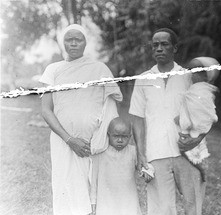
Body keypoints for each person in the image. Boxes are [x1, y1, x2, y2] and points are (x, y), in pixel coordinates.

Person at [40, 24, 122, 215]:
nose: (74, 43)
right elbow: (46, 110)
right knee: (65, 189)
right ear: (63, 42)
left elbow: (110, 107)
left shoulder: (99, 68)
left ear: (85, 43)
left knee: (94, 193)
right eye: (69, 39)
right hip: (63, 141)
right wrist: (69, 139)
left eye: (79, 39)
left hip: (94, 143)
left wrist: (100, 139)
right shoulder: (53, 69)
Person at [129, 28, 207, 215]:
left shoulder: (189, 76)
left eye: (164, 44)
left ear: (175, 48)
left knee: (193, 204)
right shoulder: (143, 79)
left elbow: (206, 112)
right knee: (160, 209)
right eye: (155, 45)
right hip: (156, 152)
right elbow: (137, 118)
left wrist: (197, 139)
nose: (159, 49)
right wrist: (141, 153)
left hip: (188, 152)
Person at [90, 117, 154, 215]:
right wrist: (93, 204)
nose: (120, 140)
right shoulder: (100, 154)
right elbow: (93, 181)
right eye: (116, 136)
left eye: (124, 136)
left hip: (128, 202)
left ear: (130, 136)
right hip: (106, 203)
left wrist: (148, 172)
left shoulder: (133, 152)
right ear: (108, 135)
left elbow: (145, 165)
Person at [175, 57, 220, 182]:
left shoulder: (201, 89)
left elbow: (199, 109)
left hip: (195, 126)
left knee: (188, 149)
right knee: (186, 149)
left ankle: (201, 169)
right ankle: (199, 167)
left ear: (205, 76)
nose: (191, 74)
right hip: (192, 124)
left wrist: (185, 121)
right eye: (191, 70)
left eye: (196, 72)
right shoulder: (195, 87)